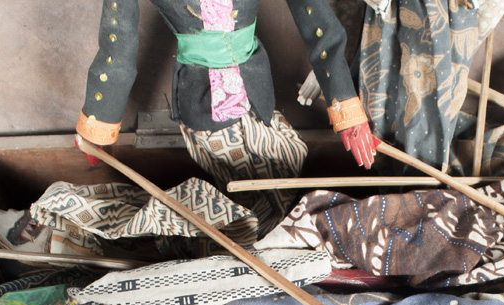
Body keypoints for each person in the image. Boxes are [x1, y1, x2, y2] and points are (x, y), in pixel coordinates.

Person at [76, 0, 378, 236]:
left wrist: (345, 106)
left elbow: (318, 23)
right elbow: (117, 46)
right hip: (202, 100)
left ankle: (267, 241)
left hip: (257, 88)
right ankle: (243, 248)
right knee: (246, 193)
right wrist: (98, 123)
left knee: (288, 155)